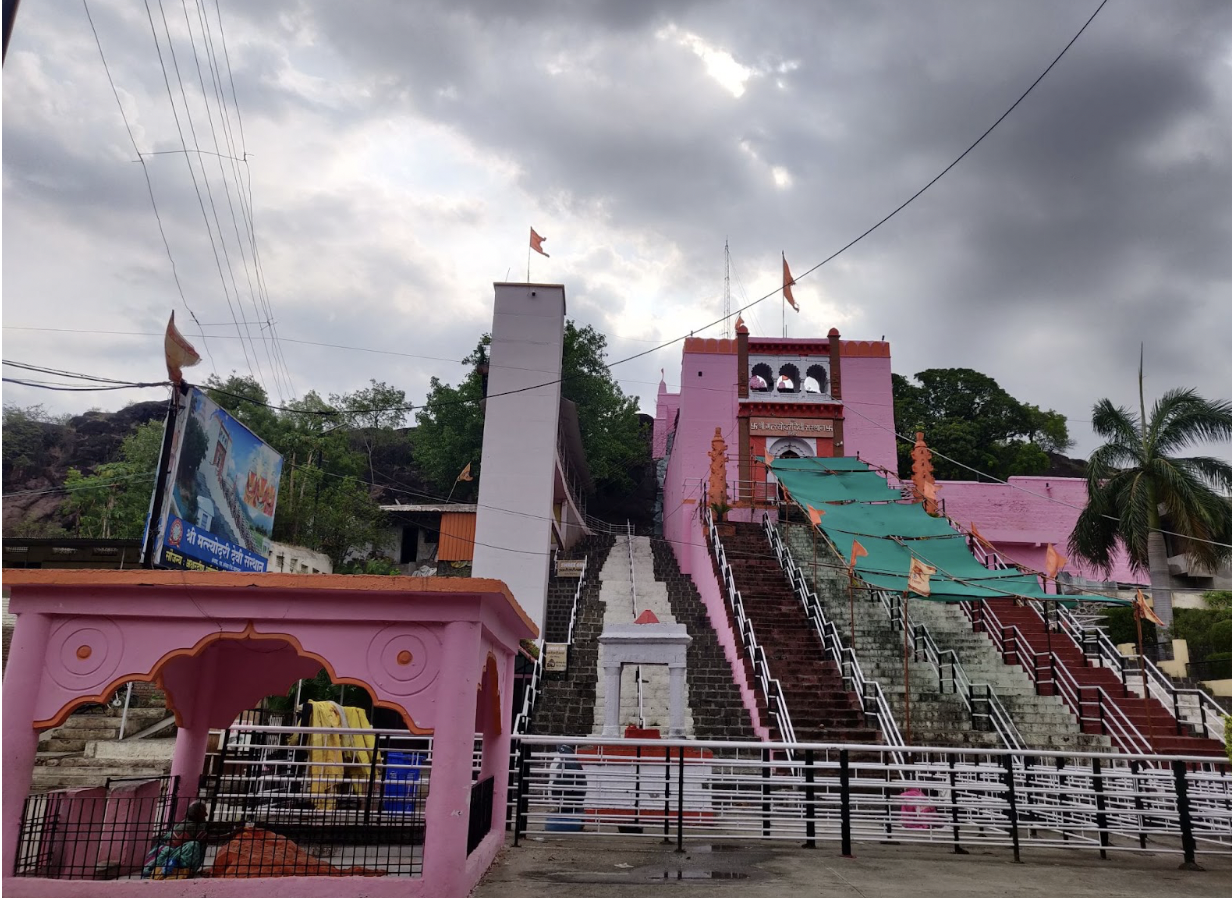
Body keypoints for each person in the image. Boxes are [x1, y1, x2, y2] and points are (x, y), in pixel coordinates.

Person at [141, 801, 236, 880]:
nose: (206, 814)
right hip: (166, 860)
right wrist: (232, 834)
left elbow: (211, 826)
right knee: (195, 845)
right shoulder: (192, 827)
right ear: (198, 814)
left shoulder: (189, 823)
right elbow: (212, 839)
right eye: (204, 812)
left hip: (170, 854)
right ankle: (185, 870)